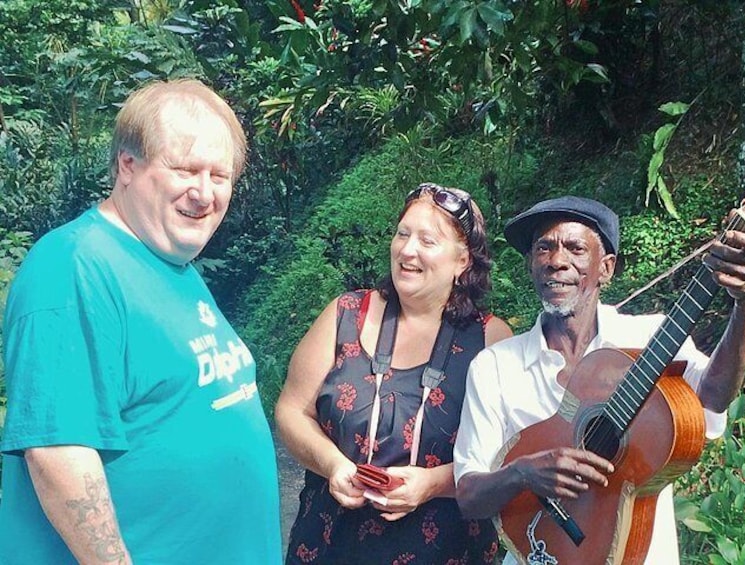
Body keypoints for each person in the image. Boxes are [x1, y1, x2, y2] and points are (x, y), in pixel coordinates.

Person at [0, 80, 282, 564]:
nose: (204, 192)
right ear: (127, 166)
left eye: (220, 175)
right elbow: (58, 452)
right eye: (185, 169)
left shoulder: (170, 264)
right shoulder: (74, 267)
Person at [454, 195, 745, 563]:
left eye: (575, 248)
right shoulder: (494, 365)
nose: (557, 260)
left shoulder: (651, 338)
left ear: (606, 268)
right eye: (544, 248)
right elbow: (470, 497)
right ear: (531, 266)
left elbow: (711, 399)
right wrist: (521, 473)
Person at [276, 182, 513, 563]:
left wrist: (433, 484)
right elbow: (292, 410)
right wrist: (333, 465)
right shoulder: (346, 313)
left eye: (428, 240)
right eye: (403, 234)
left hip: (446, 548)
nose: (408, 249)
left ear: (462, 261)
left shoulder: (490, 339)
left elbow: (509, 457)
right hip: (330, 542)